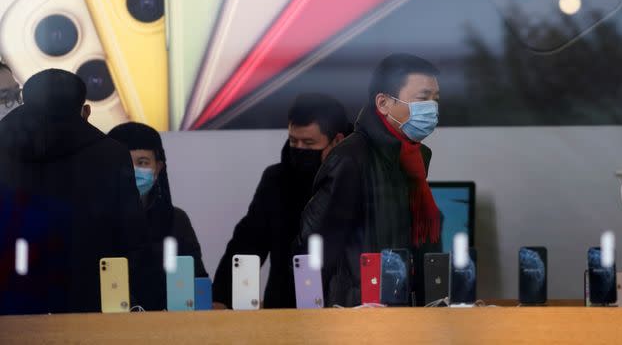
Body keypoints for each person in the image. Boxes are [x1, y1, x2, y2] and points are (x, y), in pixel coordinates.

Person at [0, 69, 159, 314]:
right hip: (90, 307)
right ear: (85, 111)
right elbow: (132, 240)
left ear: (24, 104)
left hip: (11, 307)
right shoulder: (111, 155)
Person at [295, 54, 442, 307]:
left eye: (435, 99)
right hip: (358, 315)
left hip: (404, 311)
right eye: (422, 98)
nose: (432, 108)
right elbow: (312, 243)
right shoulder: (351, 157)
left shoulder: (415, 157)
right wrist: (315, 316)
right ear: (383, 103)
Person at [211, 93, 350, 309]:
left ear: (337, 141)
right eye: (294, 141)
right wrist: (220, 297)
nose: (300, 149)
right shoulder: (275, 180)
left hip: (345, 311)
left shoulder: (357, 180)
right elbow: (247, 241)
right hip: (283, 310)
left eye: (309, 143)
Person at [107, 122, 208, 284]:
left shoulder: (176, 220)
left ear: (158, 168)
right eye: (124, 162)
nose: (133, 171)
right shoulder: (93, 221)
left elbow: (197, 281)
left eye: (143, 162)